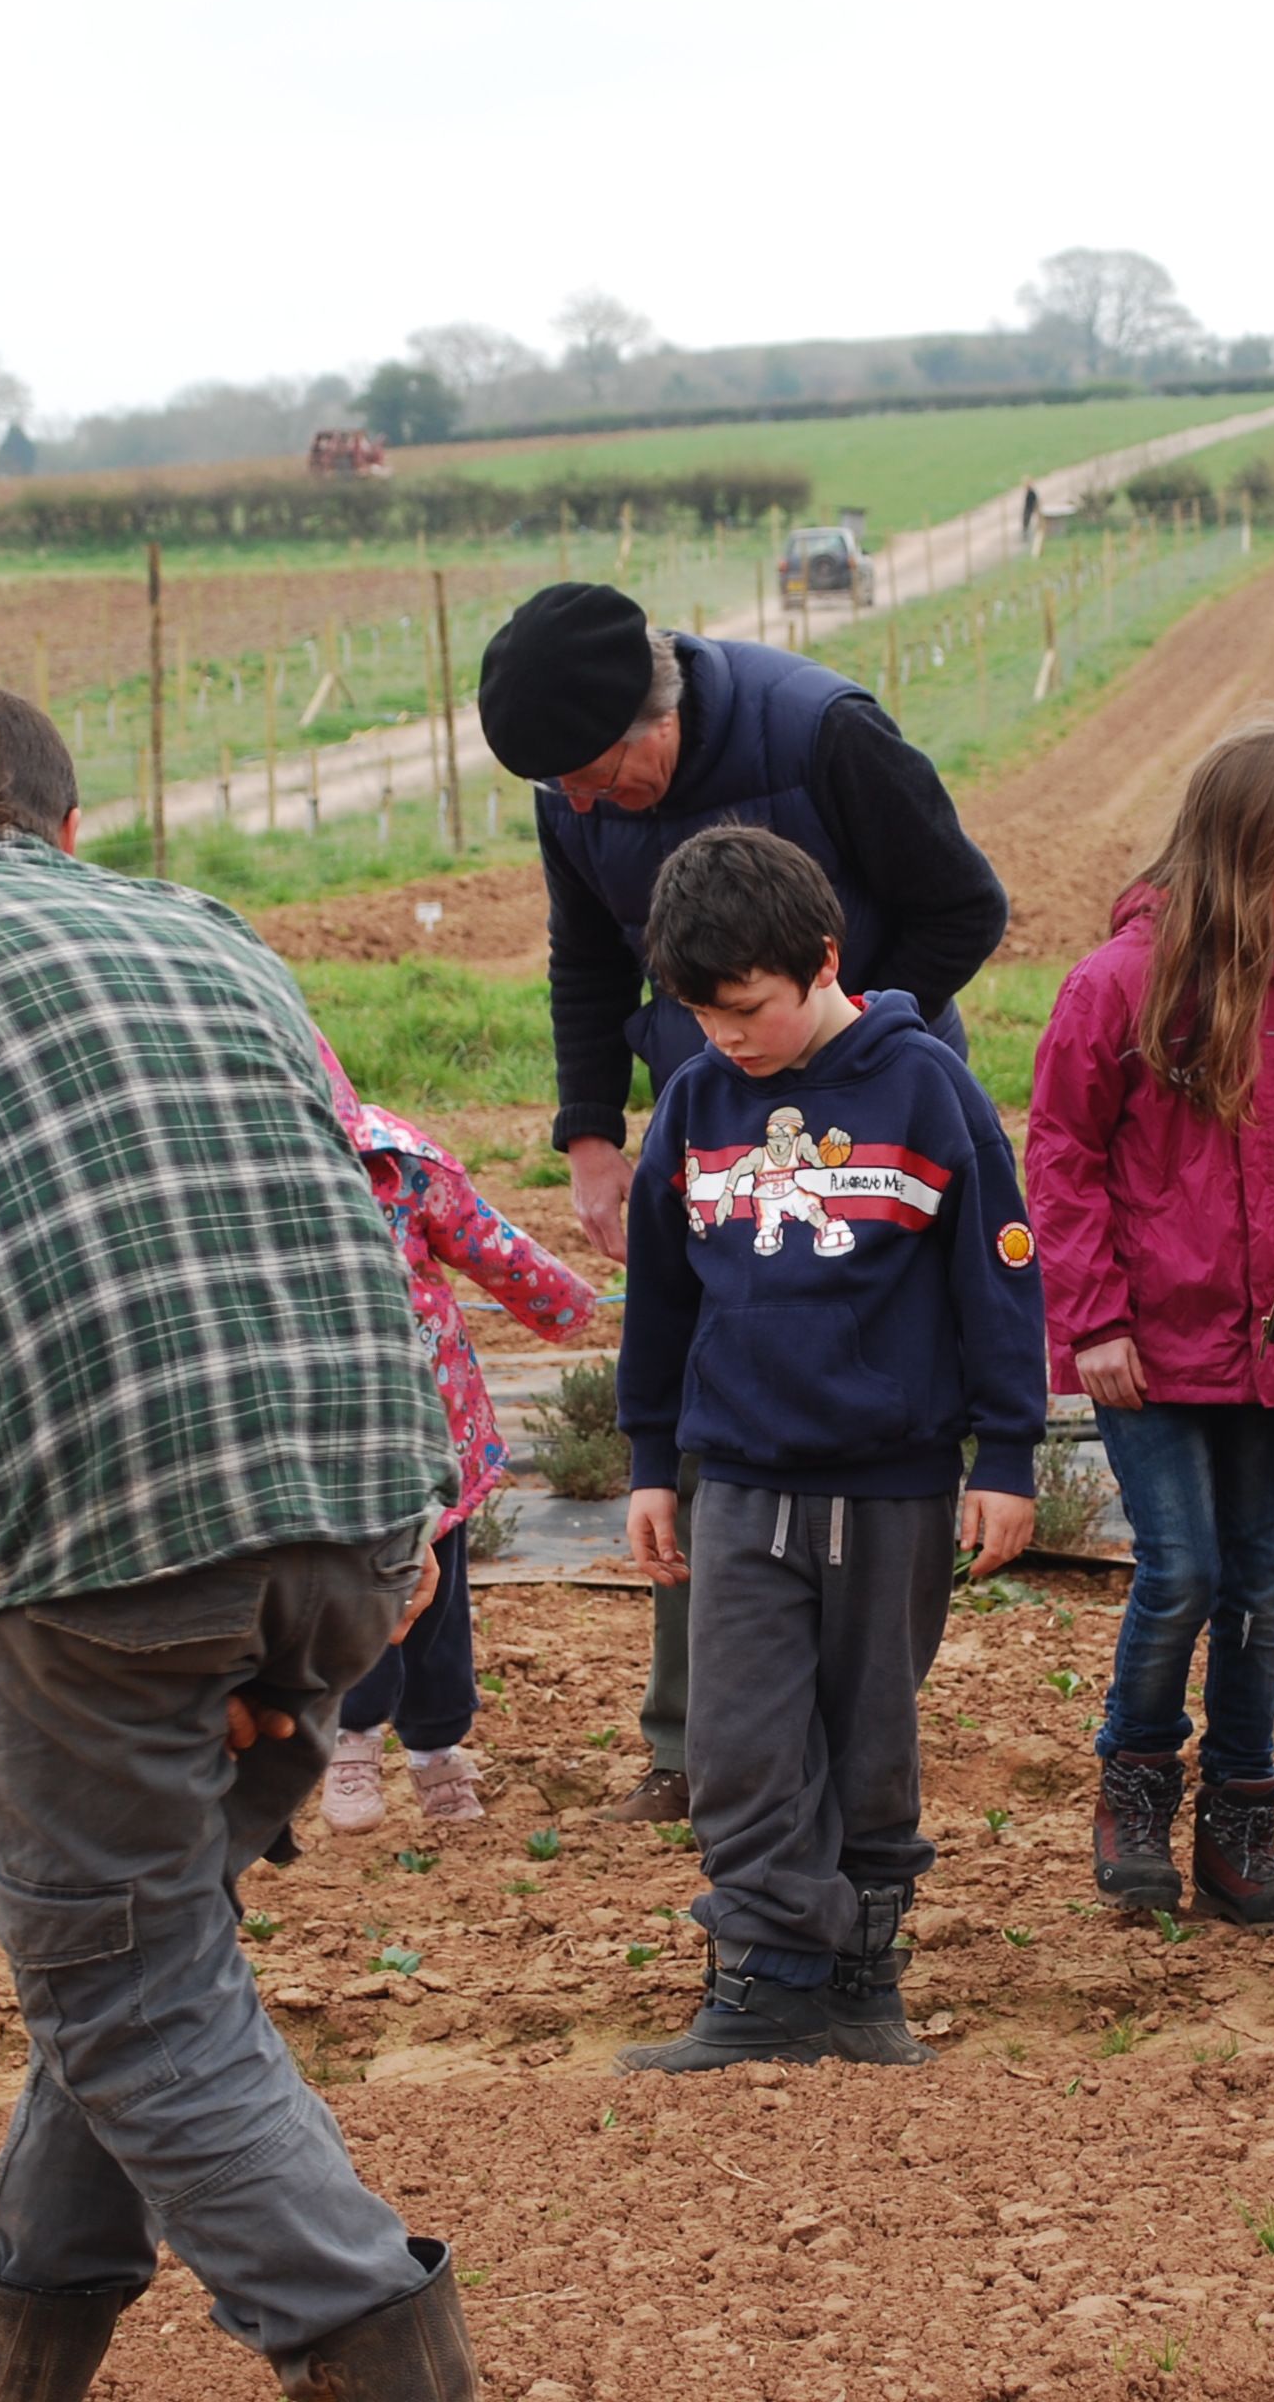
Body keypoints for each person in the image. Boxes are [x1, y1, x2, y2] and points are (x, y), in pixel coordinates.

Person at [0, 681, 474, 2397]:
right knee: (147, 1952)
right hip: (370, 1493)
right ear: (65, 828)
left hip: (101, 1521)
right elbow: (336, 1179)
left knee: (132, 2001)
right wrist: (389, 1531)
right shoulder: (199, 922)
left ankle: (387, 2363)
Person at [475, 579, 1011, 1825]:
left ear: (657, 709)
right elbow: (585, 954)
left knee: (861, 1397)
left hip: (877, 1136)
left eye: (608, 779)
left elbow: (962, 906)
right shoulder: (577, 795)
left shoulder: (823, 733)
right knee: (706, 1398)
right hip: (709, 1141)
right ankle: (698, 1744)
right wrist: (592, 1135)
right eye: (568, 796)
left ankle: (844, 1752)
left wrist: (850, 1053)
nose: (592, 807)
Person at [611, 827, 1043, 2070]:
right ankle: (764, 1986)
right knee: (738, 1744)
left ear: (821, 963)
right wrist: (651, 1461)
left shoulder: (925, 1090)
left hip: (890, 1485)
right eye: (698, 1013)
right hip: (736, 1481)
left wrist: (1006, 1456)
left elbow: (997, 1280)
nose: (723, 1037)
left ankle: (859, 1988)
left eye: (744, 1008)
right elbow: (659, 1290)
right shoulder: (694, 1102)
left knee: (865, 1745)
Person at [1027, 716, 1274, 1930]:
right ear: (1227, 857)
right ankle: (1132, 1789)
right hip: (1148, 1356)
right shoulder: (1117, 987)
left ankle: (1239, 1827)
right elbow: (1061, 1156)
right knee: (1179, 1571)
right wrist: (1095, 1319)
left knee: (1261, 1588)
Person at [314, 1046, 601, 1836]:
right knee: (356, 1592)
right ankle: (352, 1739)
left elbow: (492, 1245)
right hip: (322, 1439)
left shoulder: (408, 1167)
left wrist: (566, 1306)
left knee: (439, 1599)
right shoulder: (240, 1183)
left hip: (434, 1426)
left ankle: (436, 1747)